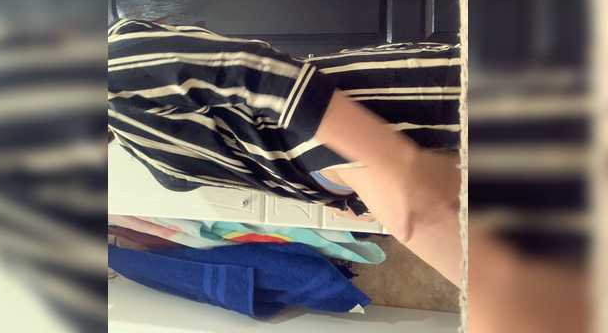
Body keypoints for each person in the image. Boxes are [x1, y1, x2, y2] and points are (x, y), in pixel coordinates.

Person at [108, 18, 463, 285]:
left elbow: (254, 72)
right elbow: (256, 168)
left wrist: (389, 161)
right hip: (346, 167)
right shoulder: (136, 144)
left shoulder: (113, 64)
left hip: (374, 109)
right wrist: (339, 202)